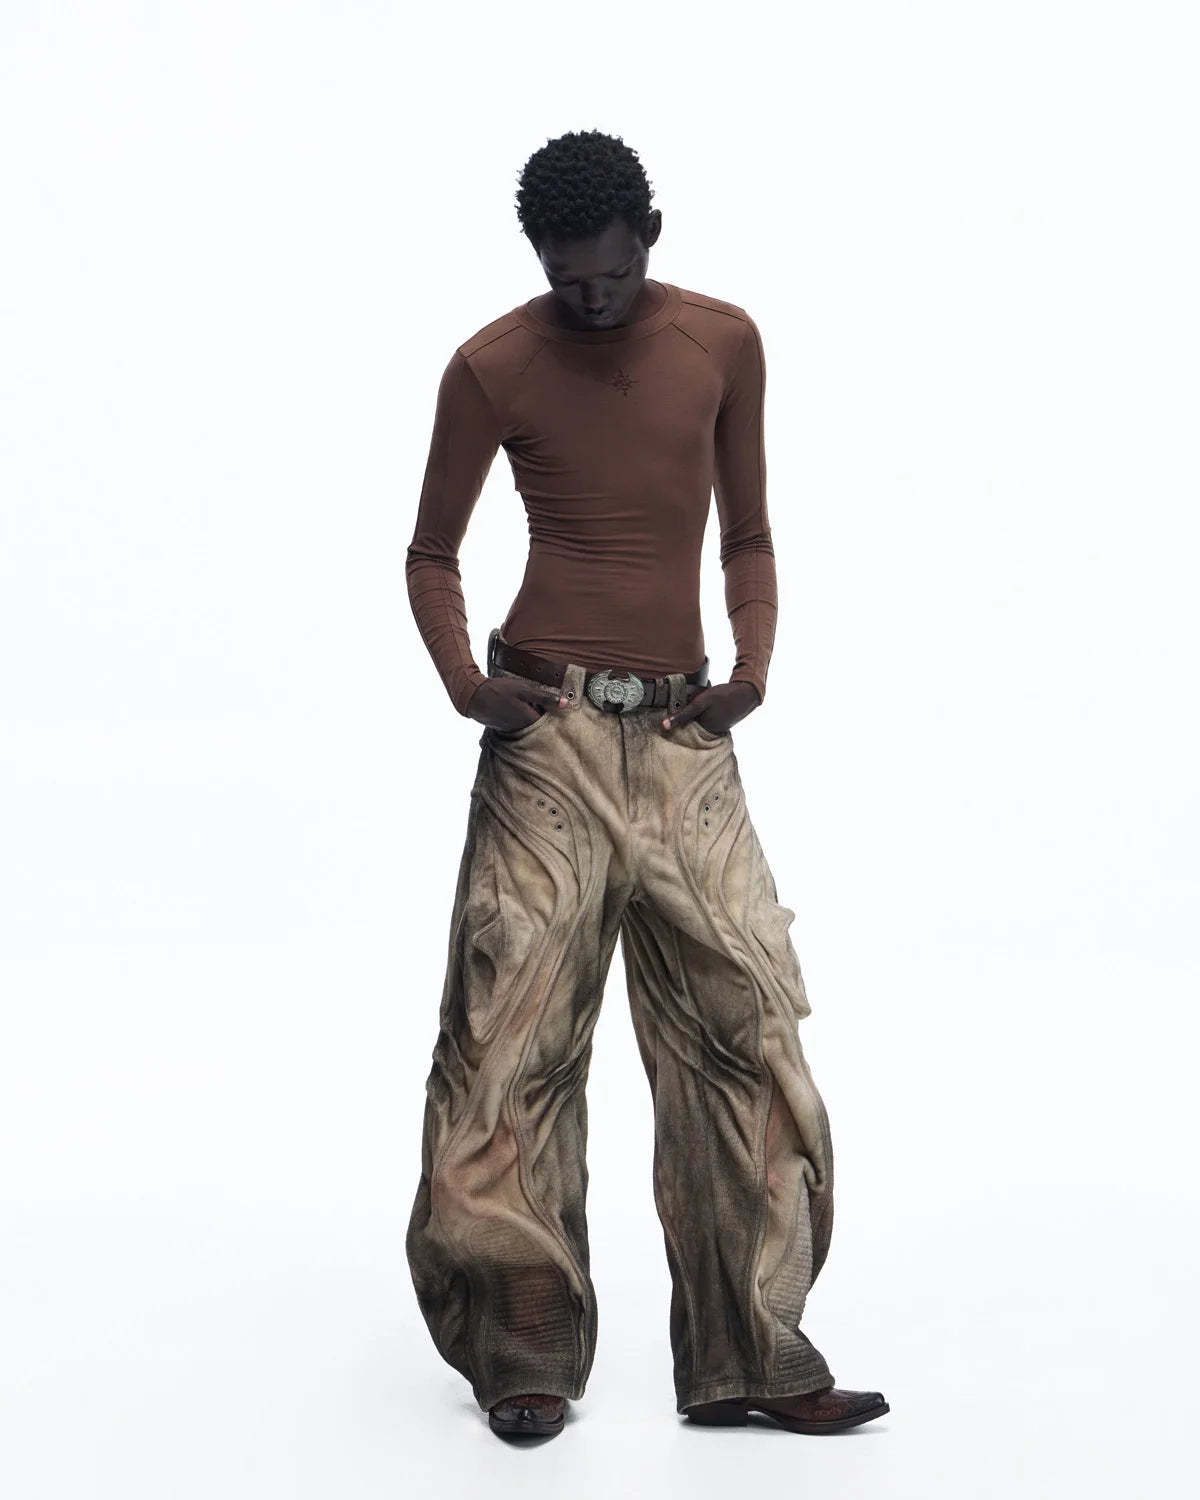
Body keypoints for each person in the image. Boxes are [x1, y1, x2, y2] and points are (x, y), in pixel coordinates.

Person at [403, 129, 888, 1442]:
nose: (590, 298)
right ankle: (522, 1345)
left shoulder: (721, 341)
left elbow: (749, 530)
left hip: (684, 735)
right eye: (564, 278)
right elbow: (431, 552)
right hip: (547, 737)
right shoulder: (493, 365)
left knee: (747, 1030)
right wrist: (466, 683)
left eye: (610, 274)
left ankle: (752, 1354)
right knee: (509, 1045)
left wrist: (755, 667)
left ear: (648, 238)